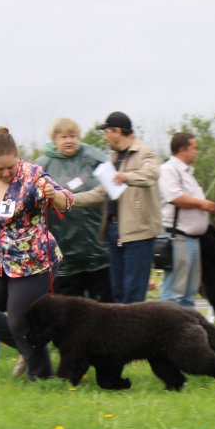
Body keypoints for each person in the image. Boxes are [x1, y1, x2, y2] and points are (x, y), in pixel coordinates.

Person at [0, 127, 73, 380]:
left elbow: (67, 200)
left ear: (17, 157)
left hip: (34, 262)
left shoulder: (32, 175)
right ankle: (26, 349)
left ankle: (42, 378)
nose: (7, 173)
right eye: (0, 169)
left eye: (11, 167)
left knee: (20, 321)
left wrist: (55, 195)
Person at [72, 111, 161, 303]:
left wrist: (126, 177)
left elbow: (151, 175)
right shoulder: (113, 157)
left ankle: (137, 325)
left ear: (118, 131)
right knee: (118, 293)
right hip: (114, 231)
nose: (105, 138)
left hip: (138, 234)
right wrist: (70, 199)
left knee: (133, 295)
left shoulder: (145, 152)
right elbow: (102, 193)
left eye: (106, 132)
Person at [34, 118, 111, 302]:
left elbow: (115, 187)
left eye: (73, 136)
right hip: (64, 256)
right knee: (69, 310)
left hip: (97, 251)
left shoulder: (94, 158)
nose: (69, 141)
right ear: (55, 139)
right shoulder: (42, 166)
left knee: (105, 308)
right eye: (64, 137)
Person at [158, 132, 215, 307]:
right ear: (182, 150)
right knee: (174, 292)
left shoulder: (187, 173)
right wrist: (201, 203)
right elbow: (174, 197)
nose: (196, 151)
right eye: (194, 148)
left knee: (189, 293)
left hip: (191, 239)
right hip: (178, 238)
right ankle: (168, 323)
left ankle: (187, 323)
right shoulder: (168, 170)